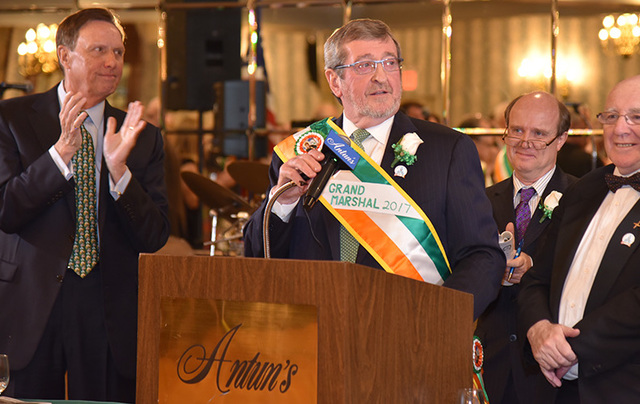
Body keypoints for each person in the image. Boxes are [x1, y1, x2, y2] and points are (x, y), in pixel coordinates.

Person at [243, 18, 504, 320]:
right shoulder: (302, 150)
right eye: (365, 66)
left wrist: (438, 321)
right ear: (333, 80)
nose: (382, 77)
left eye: (390, 63)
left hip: (407, 334)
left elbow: (481, 256)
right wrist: (282, 203)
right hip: (314, 332)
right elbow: (257, 257)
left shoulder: (447, 151)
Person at [0, 8, 169, 403]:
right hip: (32, 301)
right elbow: (7, 210)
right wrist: (61, 155)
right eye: (98, 50)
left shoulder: (142, 137)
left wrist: (119, 172)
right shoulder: (12, 119)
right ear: (64, 56)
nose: (112, 62)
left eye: (118, 52)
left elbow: (156, 234)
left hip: (109, 306)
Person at [519, 75, 640, 403]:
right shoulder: (583, 189)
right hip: (556, 390)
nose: (621, 128)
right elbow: (537, 278)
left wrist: (572, 348)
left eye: (636, 117)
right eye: (611, 116)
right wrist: (538, 329)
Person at [475, 91, 576, 404]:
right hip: (488, 364)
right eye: (516, 130)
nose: (524, 141)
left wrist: (536, 270)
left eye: (539, 133)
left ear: (561, 139)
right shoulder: (479, 199)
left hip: (551, 370)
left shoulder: (583, 199)